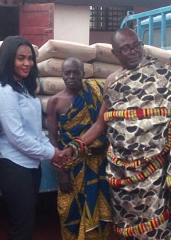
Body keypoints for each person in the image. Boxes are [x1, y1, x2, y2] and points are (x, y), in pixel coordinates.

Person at [63, 28, 171, 239]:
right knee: (126, 229)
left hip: (154, 171)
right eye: (125, 48)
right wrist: (75, 146)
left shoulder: (163, 74)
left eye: (136, 45)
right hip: (120, 172)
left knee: (156, 227)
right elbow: (101, 123)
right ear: (114, 53)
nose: (133, 51)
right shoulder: (111, 81)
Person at [0, 36, 67, 240]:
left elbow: (33, 130)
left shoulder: (25, 88)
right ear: (9, 60)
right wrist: (52, 153)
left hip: (30, 165)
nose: (27, 63)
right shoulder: (5, 92)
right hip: (12, 164)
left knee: (28, 220)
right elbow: (16, 136)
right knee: (22, 224)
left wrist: (51, 148)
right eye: (20, 58)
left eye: (30, 58)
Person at [46, 57, 112, 240]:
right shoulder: (54, 101)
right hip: (71, 165)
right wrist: (60, 172)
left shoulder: (95, 91)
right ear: (62, 75)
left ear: (83, 74)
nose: (72, 76)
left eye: (76, 72)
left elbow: (104, 123)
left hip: (98, 164)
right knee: (70, 212)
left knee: (100, 211)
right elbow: (53, 138)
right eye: (67, 73)